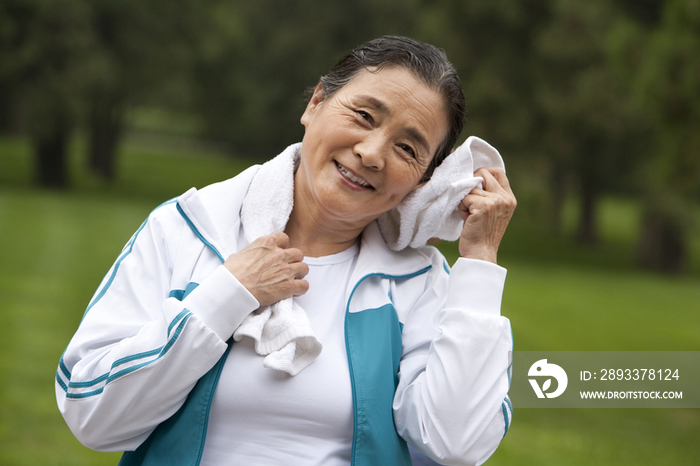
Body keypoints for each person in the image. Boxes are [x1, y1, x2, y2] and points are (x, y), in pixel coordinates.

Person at [56, 36, 516, 466]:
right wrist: (225, 297)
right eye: (364, 116)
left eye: (408, 148)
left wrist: (478, 265)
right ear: (315, 103)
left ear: (422, 182)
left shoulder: (420, 284)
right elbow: (93, 415)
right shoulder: (190, 229)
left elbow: (457, 442)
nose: (373, 153)